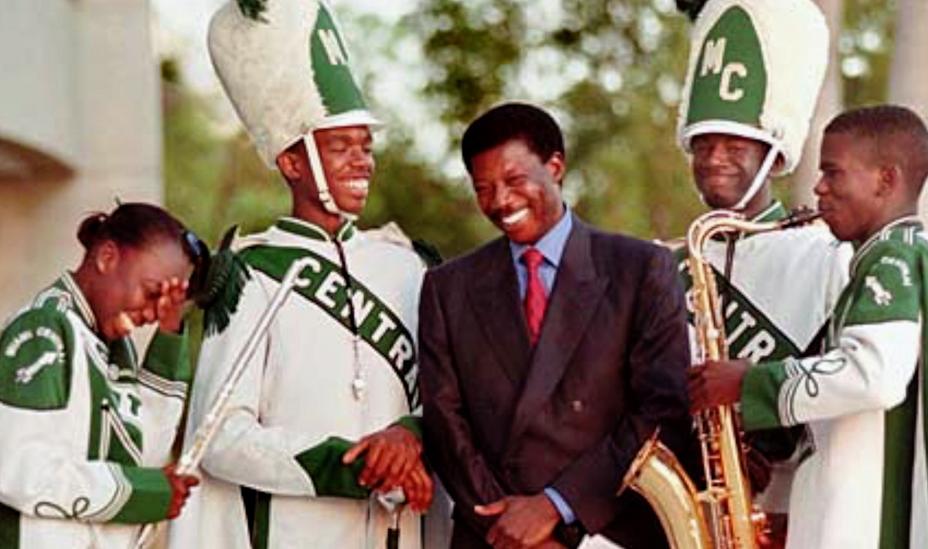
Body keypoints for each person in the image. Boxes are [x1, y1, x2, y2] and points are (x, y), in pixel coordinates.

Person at [167, 1, 434, 548]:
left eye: (366, 145)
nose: (362, 160)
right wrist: (352, 465)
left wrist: (410, 436)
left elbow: (450, 397)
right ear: (291, 162)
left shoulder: (410, 266)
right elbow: (219, 436)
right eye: (341, 146)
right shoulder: (250, 274)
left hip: (400, 533)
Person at [690, 105, 928, 548]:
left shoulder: (893, 260)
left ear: (886, 179)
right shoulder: (899, 255)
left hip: (865, 520)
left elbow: (873, 377)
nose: (819, 187)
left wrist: (747, 382)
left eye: (833, 173)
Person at [419, 102, 693, 549]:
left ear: (556, 167)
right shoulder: (447, 287)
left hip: (609, 531)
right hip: (492, 535)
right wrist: (510, 530)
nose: (500, 202)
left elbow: (662, 412)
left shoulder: (642, 269)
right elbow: (446, 424)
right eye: (483, 188)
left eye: (514, 180)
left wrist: (555, 506)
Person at [672, 0, 850, 528]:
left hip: (790, 511)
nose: (714, 159)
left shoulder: (824, 254)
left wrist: (764, 419)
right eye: (702, 144)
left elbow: (847, 385)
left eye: (734, 144)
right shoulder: (666, 261)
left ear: (774, 155)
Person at [0, 202, 204, 548]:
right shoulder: (46, 329)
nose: (155, 311)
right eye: (153, 292)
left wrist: (170, 333)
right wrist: (144, 493)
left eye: (169, 299)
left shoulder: (112, 345)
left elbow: (144, 459)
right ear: (107, 257)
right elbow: (18, 470)